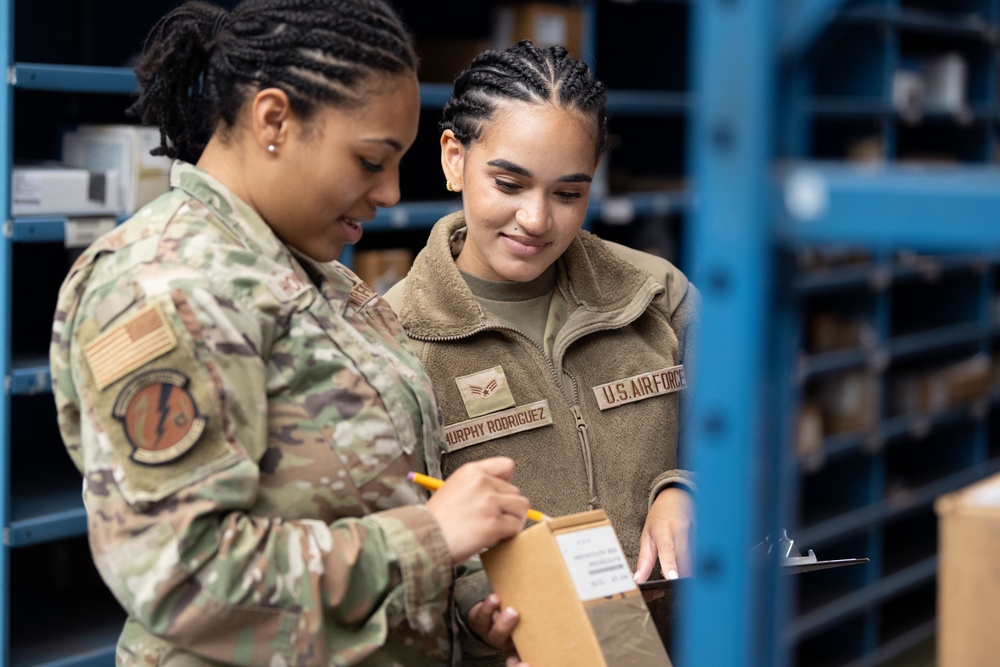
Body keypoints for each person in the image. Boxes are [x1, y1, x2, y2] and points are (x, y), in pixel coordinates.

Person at [49, 2, 531, 664]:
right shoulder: (164, 287)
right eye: (369, 160)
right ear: (273, 119)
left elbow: (375, 492)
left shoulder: (316, 274)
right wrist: (429, 538)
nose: (390, 191)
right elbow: (182, 575)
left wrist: (470, 603)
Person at [383, 40, 700, 659]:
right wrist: (477, 610)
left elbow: (750, 428)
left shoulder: (655, 295)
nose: (535, 218)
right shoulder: (393, 339)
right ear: (453, 159)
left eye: (567, 194)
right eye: (509, 182)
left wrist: (684, 486)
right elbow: (394, 534)